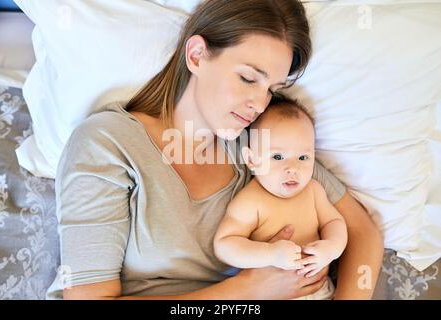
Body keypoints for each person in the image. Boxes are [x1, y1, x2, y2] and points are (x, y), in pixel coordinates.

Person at [47, 0, 383, 300]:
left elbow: (362, 231)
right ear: (196, 55)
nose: (258, 103)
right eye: (249, 78)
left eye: (271, 89)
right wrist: (247, 290)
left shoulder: (260, 143)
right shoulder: (108, 143)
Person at [213, 98, 348, 300]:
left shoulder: (313, 191)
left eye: (303, 158)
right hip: (269, 294)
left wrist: (331, 248)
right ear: (251, 160)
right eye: (277, 157)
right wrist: (270, 254)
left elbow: (334, 222)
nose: (293, 168)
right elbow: (224, 245)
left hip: (320, 291)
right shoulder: (250, 201)